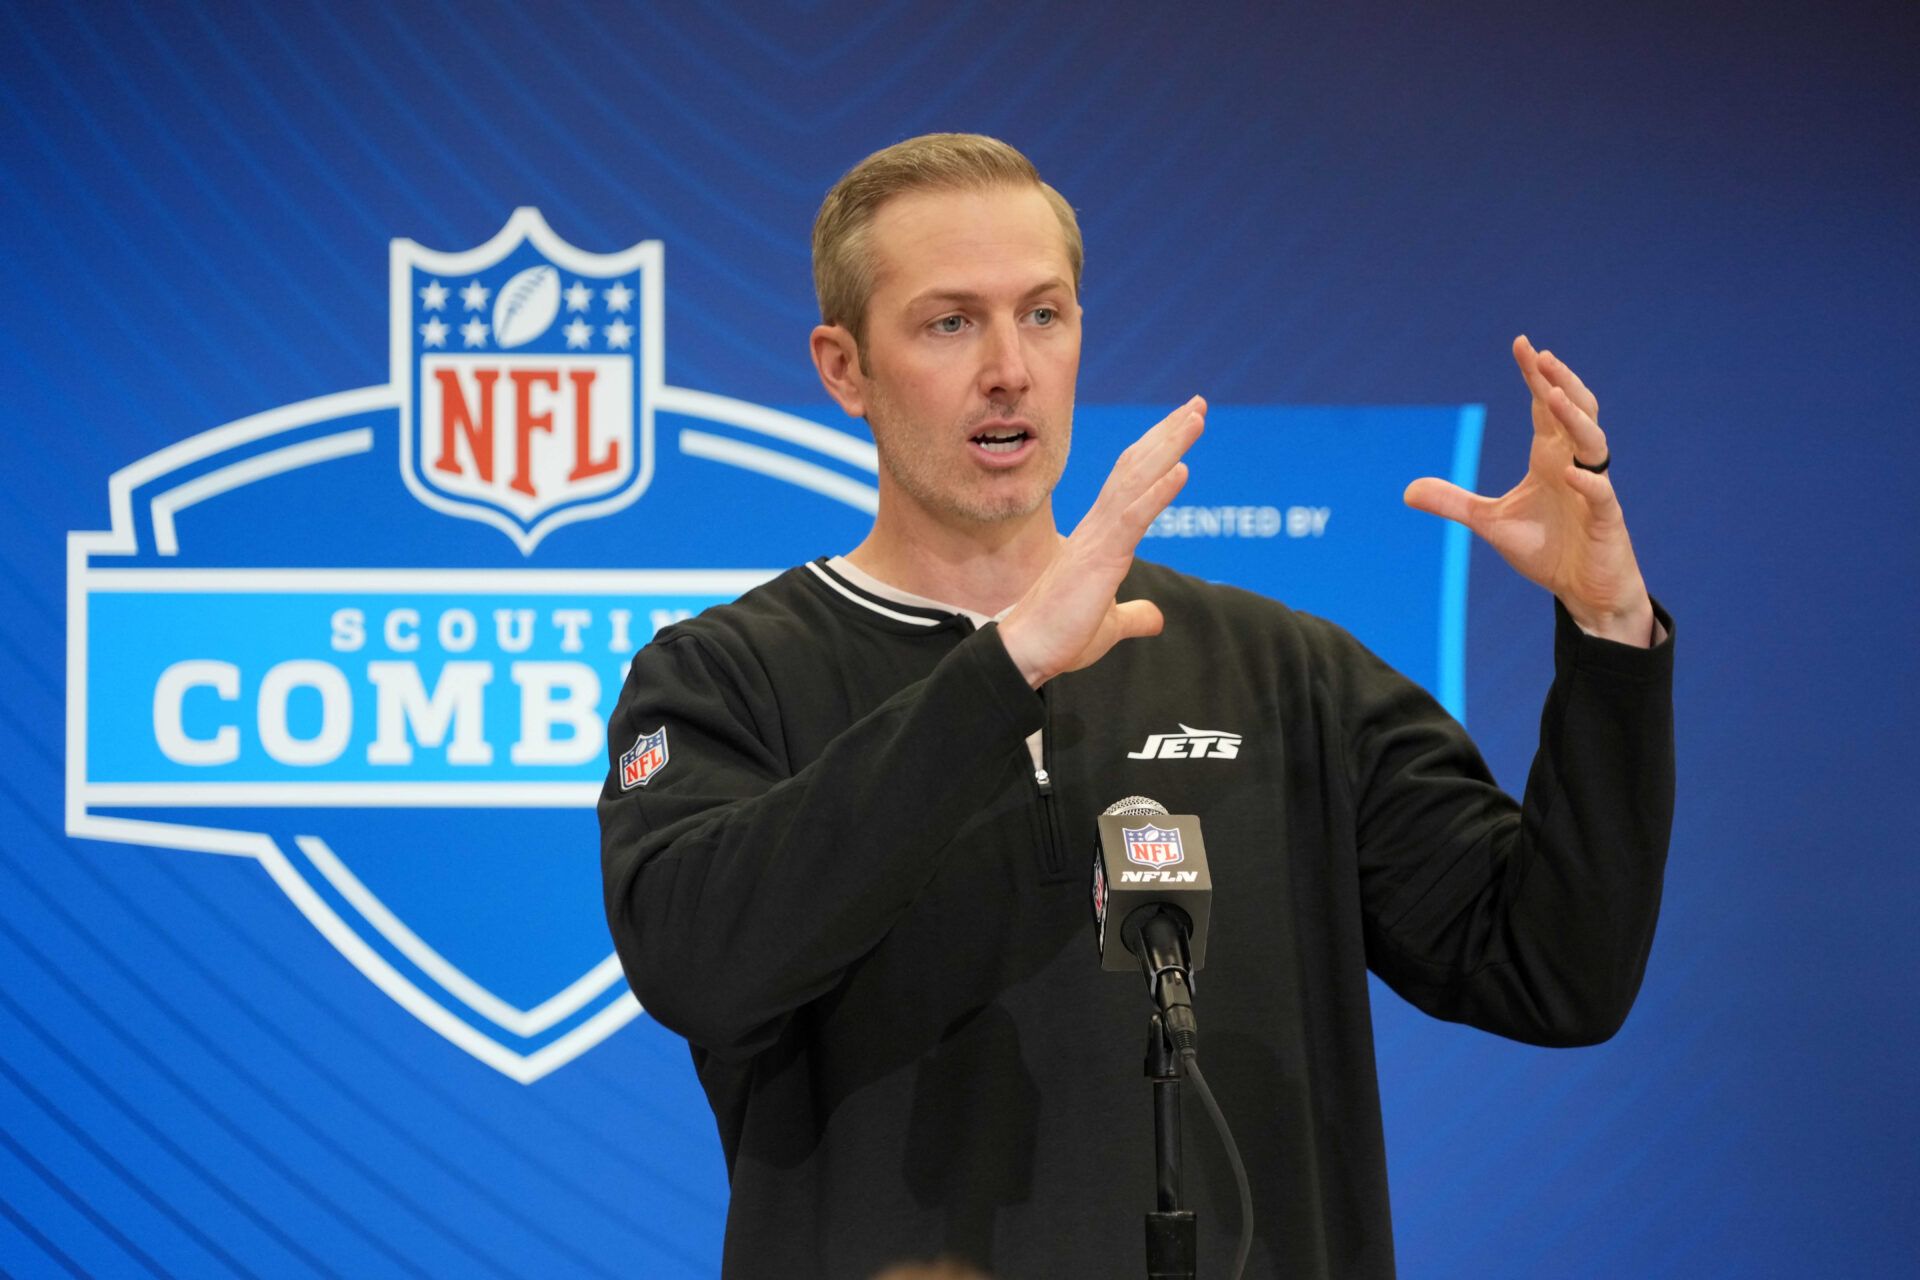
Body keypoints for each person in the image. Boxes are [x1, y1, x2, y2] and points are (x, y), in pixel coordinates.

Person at [598, 133, 1673, 1278]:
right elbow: (702, 965)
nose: (1008, 367)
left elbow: (1558, 969)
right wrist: (1002, 671)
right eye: (950, 322)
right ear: (844, 365)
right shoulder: (719, 678)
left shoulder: (1282, 668)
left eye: (1044, 314)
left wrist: (1608, 634)